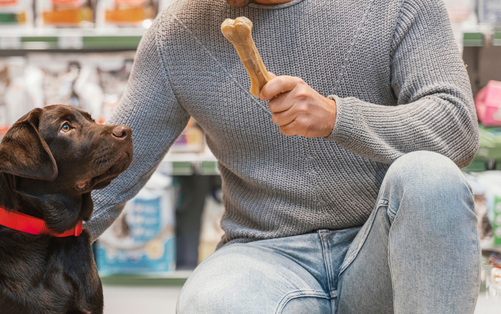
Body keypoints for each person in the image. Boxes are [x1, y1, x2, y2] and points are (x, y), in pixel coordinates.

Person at [87, 0, 481, 312]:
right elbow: (104, 175)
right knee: (211, 304)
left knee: (432, 178)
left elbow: (458, 129)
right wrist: (29, 245)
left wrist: (336, 117)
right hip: (262, 258)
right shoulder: (179, 31)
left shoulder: (397, 5)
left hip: (381, 248)